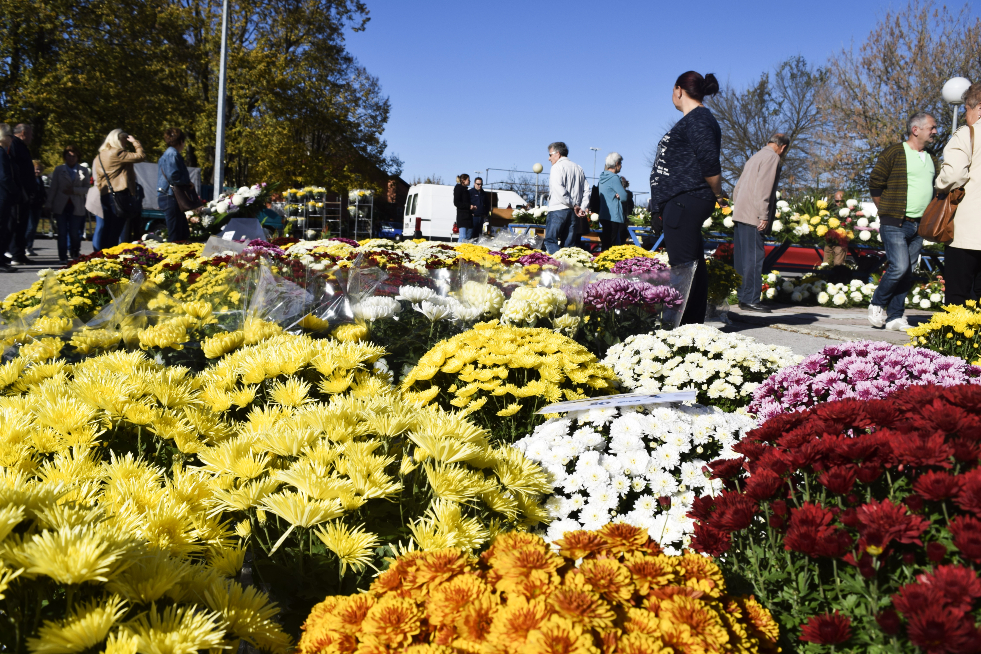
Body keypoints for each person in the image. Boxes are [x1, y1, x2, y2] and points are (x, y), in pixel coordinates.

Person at [649, 71, 724, 325]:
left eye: (672, 91)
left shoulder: (698, 119)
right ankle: (691, 325)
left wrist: (717, 194)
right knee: (691, 265)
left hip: (686, 200)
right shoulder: (695, 119)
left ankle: (679, 327)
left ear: (678, 90)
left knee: (682, 269)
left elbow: (709, 162)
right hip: (680, 200)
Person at [867, 112, 939, 330]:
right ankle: (877, 303)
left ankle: (895, 317)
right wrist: (886, 210)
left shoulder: (932, 157)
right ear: (915, 130)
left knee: (908, 272)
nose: (935, 131)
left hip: (920, 225)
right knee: (899, 267)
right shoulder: (895, 152)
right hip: (895, 222)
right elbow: (875, 183)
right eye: (931, 127)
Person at [732, 133, 790, 313]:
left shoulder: (755, 157)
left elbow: (738, 188)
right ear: (783, 147)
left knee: (742, 259)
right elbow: (764, 188)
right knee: (754, 258)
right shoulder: (772, 158)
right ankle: (751, 299)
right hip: (753, 215)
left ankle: (743, 297)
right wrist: (763, 214)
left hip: (741, 213)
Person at [937, 82, 981, 305]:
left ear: (979, 108)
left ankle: (957, 340)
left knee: (958, 297)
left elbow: (953, 175)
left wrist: (939, 183)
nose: (966, 116)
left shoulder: (968, 134)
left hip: (968, 232)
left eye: (966, 109)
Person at [93, 128, 145, 252]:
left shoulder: (99, 156)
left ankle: (102, 255)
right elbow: (141, 156)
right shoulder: (117, 153)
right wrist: (135, 142)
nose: (125, 144)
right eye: (124, 141)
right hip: (118, 194)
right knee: (116, 229)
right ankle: (111, 256)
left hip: (105, 194)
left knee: (107, 228)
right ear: (117, 140)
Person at [47, 145, 89, 263]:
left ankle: (75, 251)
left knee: (75, 232)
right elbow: (53, 187)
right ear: (64, 156)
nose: (71, 158)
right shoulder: (59, 170)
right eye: (68, 156)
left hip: (76, 205)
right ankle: (62, 256)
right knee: (62, 232)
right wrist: (49, 203)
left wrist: (74, 190)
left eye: (73, 156)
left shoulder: (83, 171)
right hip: (61, 205)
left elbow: (87, 188)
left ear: (77, 157)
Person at [544, 142, 588, 254]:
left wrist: (574, 205)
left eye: (550, 155)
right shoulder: (578, 168)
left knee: (550, 240)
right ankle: (566, 268)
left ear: (557, 154)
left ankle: (558, 265)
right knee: (568, 245)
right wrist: (581, 207)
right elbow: (587, 190)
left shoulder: (557, 167)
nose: (549, 158)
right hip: (574, 212)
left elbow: (559, 189)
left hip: (559, 208)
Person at [7, 124, 39, 265]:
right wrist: (21, 190)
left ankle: (20, 253)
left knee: (22, 224)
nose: (32, 137)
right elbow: (16, 170)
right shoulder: (14, 145)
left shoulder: (21, 146)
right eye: (31, 134)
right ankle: (15, 253)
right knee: (17, 223)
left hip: (24, 192)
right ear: (24, 133)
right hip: (20, 192)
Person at [157, 127, 195, 242]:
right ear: (181, 142)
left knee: (182, 233)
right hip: (171, 197)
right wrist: (187, 182)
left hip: (168, 196)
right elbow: (173, 176)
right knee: (176, 235)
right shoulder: (172, 154)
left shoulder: (167, 154)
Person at [598, 152, 630, 249]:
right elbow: (624, 196)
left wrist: (617, 195)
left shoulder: (602, 177)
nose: (621, 167)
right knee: (612, 246)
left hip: (604, 214)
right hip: (614, 216)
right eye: (620, 164)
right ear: (617, 163)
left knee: (606, 242)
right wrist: (619, 195)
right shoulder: (615, 178)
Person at [0, 124, 16, 272]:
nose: (11, 138)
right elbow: (4, 177)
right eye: (9, 135)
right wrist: (13, 191)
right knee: (2, 227)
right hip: (2, 195)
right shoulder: (1, 153)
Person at [822, 190, 849, 266]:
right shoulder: (830, 210)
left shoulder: (850, 211)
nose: (839, 203)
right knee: (826, 264)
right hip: (829, 240)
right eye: (837, 201)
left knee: (837, 264)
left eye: (842, 201)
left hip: (841, 242)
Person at [25, 160, 44, 257]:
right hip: (30, 205)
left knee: (34, 227)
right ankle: (25, 246)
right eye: (36, 169)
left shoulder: (39, 179)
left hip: (38, 206)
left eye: (39, 169)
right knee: (30, 227)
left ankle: (29, 246)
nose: (38, 171)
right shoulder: (29, 179)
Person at [453, 173, 474, 240]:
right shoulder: (458, 189)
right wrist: (468, 206)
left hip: (469, 217)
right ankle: (459, 249)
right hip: (462, 217)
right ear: (463, 180)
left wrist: (472, 209)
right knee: (463, 237)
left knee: (468, 237)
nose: (469, 181)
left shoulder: (467, 191)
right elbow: (457, 203)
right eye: (468, 180)